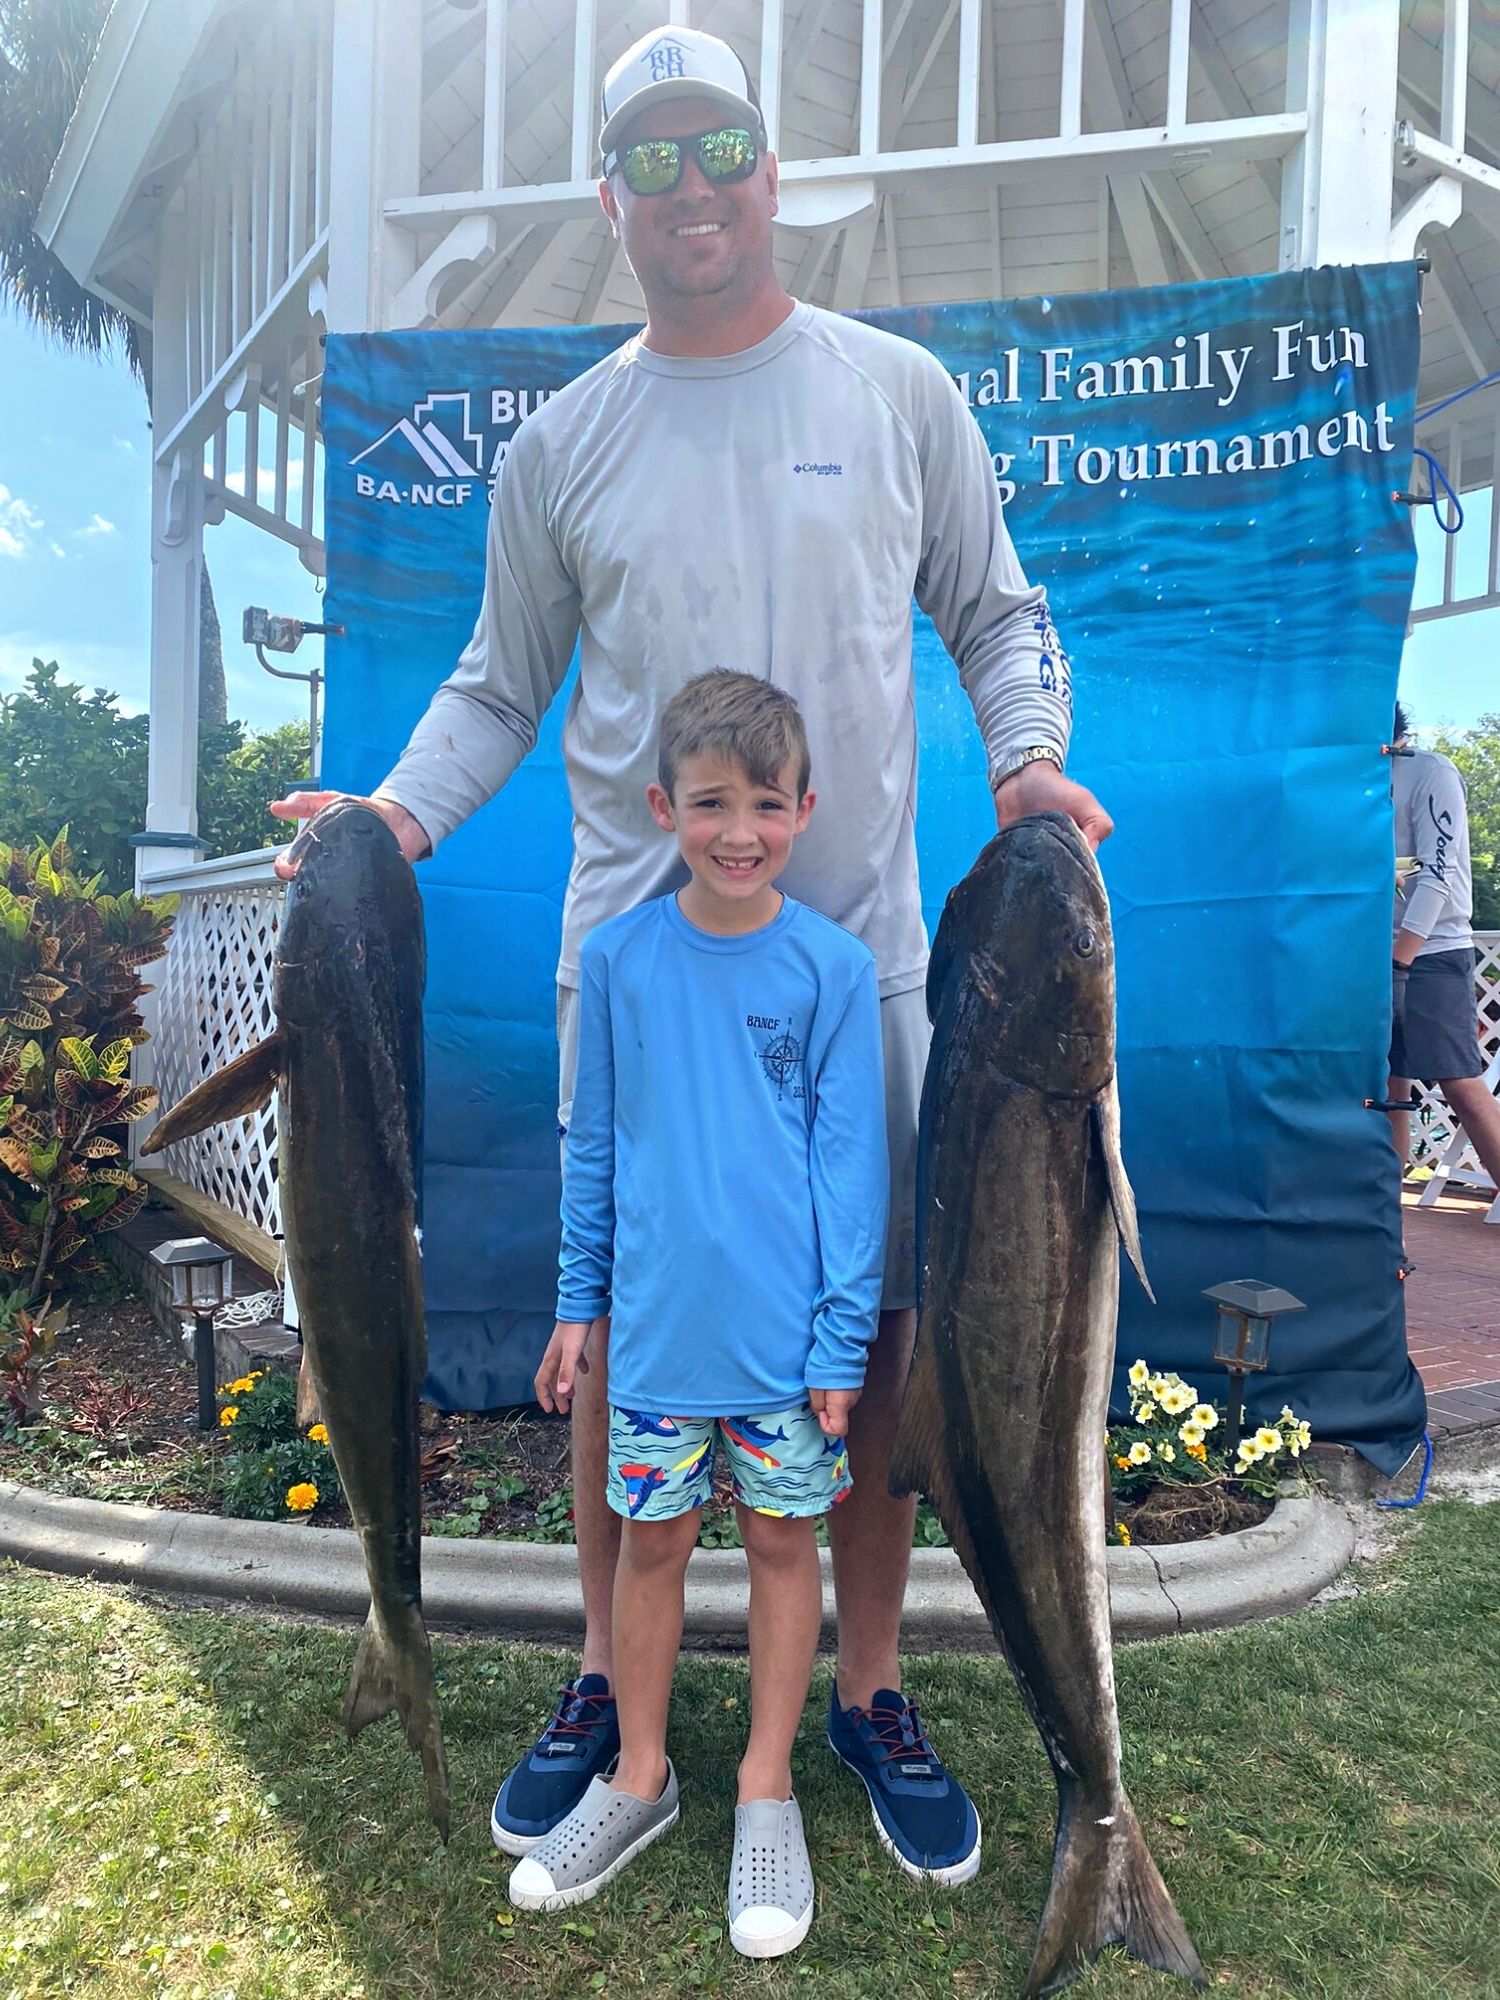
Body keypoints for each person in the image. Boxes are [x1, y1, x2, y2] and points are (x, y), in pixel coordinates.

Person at [272, 24, 1111, 1881]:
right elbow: (495, 689)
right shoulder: (562, 444)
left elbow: (997, 615)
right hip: (633, 985)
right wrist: (391, 820)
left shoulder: (897, 393)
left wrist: (1029, 763)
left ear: (769, 167)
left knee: (868, 1342)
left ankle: (871, 1689)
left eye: (717, 145)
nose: (692, 187)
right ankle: (607, 1677)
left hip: (859, 973)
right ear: (611, 200)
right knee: (624, 1340)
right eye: (649, 160)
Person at [504, 670, 885, 1954]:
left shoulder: (835, 969)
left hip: (788, 1356)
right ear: (663, 807)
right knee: (650, 1549)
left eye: (766, 804)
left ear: (805, 810)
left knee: (782, 1546)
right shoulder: (619, 960)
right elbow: (595, 1146)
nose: (739, 830)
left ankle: (766, 1787)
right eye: (711, 801)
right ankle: (640, 1772)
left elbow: (851, 1170)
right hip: (658, 1343)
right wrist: (579, 1304)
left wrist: (841, 1337)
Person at [1388, 702, 1500, 1190]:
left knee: (1460, 1083)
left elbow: (1438, 875)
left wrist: (1400, 962)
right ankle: (1386, 1222)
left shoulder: (1431, 772)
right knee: (1387, 1087)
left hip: (1433, 951)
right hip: (1369, 955)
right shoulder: (1348, 784)